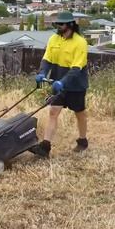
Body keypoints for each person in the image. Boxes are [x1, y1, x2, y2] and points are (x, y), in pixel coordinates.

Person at [29, 11, 89, 158]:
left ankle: (82, 141)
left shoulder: (80, 42)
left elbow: (76, 68)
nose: (58, 26)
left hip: (75, 84)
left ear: (70, 25)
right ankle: (45, 147)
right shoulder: (53, 39)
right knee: (53, 112)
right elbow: (47, 59)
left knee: (79, 113)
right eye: (57, 24)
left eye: (61, 24)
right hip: (57, 83)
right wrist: (42, 73)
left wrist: (63, 82)